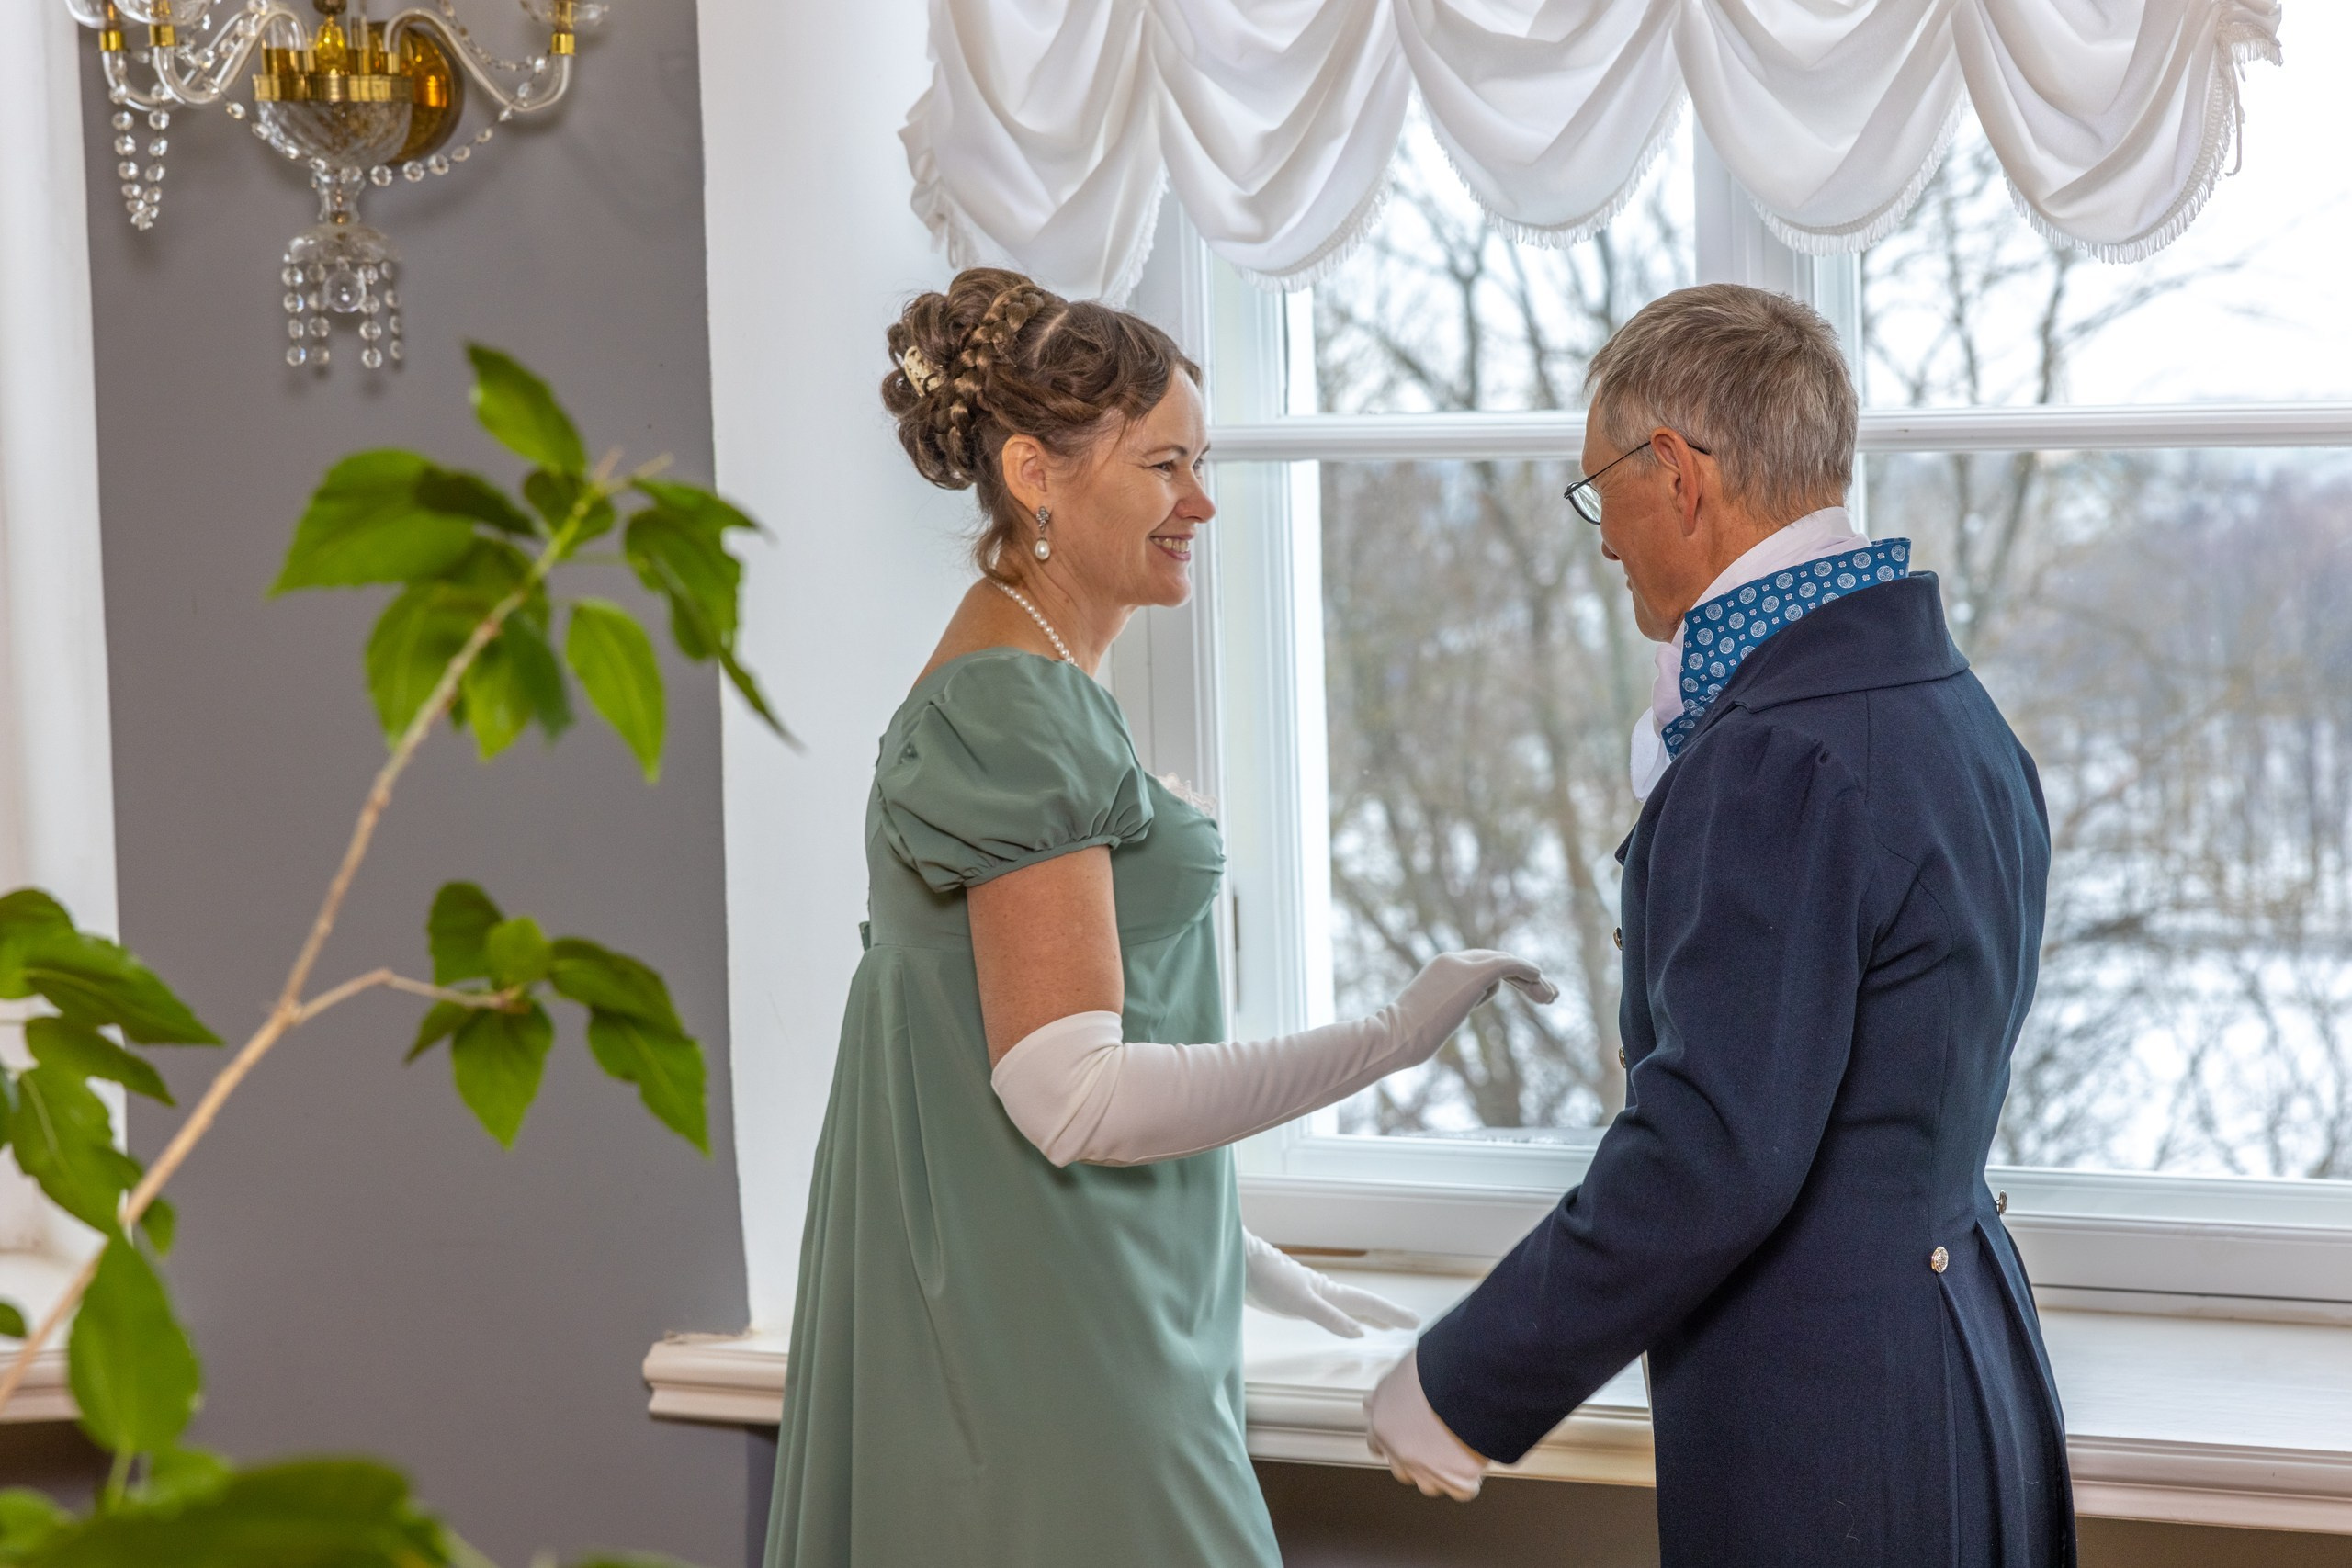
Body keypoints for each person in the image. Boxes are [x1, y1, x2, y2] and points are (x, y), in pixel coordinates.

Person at [763, 267, 1554, 1567]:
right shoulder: (1009, 709)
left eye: (1204, 463)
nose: (1202, 503)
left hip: (1093, 1290)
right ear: (1037, 473)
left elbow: (972, 1049)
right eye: (1167, 465)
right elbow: (1068, 1098)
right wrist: (1388, 1038)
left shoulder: (1040, 687)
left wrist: (1229, 1244)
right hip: (1054, 1334)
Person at [1364, 284, 2075, 1567]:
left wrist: (1462, 1382)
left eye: (1600, 494)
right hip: (1969, 1366)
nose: (1601, 544)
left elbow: (1712, 1150)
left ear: (1677, 474)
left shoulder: (1778, 753)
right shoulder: (1950, 711)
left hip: (1832, 1419)